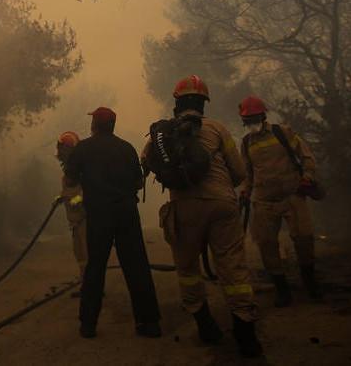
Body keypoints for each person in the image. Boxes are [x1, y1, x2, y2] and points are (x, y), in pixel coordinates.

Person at [147, 75, 262, 358]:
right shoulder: (218, 129)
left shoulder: (163, 133)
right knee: (233, 268)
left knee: (187, 270)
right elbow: (239, 172)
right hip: (221, 204)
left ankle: (205, 324)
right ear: (203, 103)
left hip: (184, 207)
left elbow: (148, 162)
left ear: (177, 103)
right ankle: (245, 332)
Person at [63, 107, 161, 339]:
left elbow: (69, 180)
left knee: (95, 268)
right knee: (136, 266)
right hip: (126, 213)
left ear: (94, 125)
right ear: (113, 126)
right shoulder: (126, 148)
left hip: (98, 216)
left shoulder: (83, 148)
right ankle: (149, 323)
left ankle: (88, 325)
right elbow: (138, 183)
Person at [238, 95, 323, 306]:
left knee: (304, 237)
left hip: (292, 194)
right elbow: (247, 171)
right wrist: (245, 191)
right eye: (247, 120)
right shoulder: (246, 142)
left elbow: (307, 157)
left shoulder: (282, 132)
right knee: (265, 243)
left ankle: (309, 279)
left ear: (263, 116)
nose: (251, 123)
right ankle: (281, 289)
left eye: (254, 118)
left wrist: (307, 179)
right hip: (264, 201)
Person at [56, 130, 88, 293]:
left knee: (88, 253)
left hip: (85, 218)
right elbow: (69, 188)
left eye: (63, 148)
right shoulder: (68, 168)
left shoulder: (81, 165)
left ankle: (93, 287)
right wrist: (61, 197)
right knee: (79, 253)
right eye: (60, 148)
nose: (60, 152)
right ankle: (85, 283)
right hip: (74, 219)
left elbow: (88, 186)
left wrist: (80, 198)